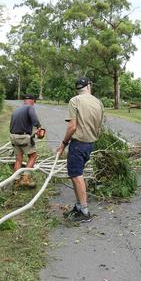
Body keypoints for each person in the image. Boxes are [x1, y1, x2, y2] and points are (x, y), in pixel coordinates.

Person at [57, 77, 104, 222]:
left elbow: (72, 126)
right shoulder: (98, 102)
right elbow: (99, 127)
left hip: (78, 144)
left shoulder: (75, 101)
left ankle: (84, 211)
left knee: (77, 176)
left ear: (77, 88)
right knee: (75, 174)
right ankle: (78, 207)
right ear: (88, 86)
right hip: (89, 144)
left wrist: (63, 144)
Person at [9, 94, 44, 188]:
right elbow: (34, 119)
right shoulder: (30, 107)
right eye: (34, 102)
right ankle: (25, 179)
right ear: (32, 101)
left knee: (18, 159)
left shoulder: (16, 110)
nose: (33, 104)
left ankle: (16, 181)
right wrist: (39, 127)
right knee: (33, 156)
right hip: (22, 138)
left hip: (13, 136)